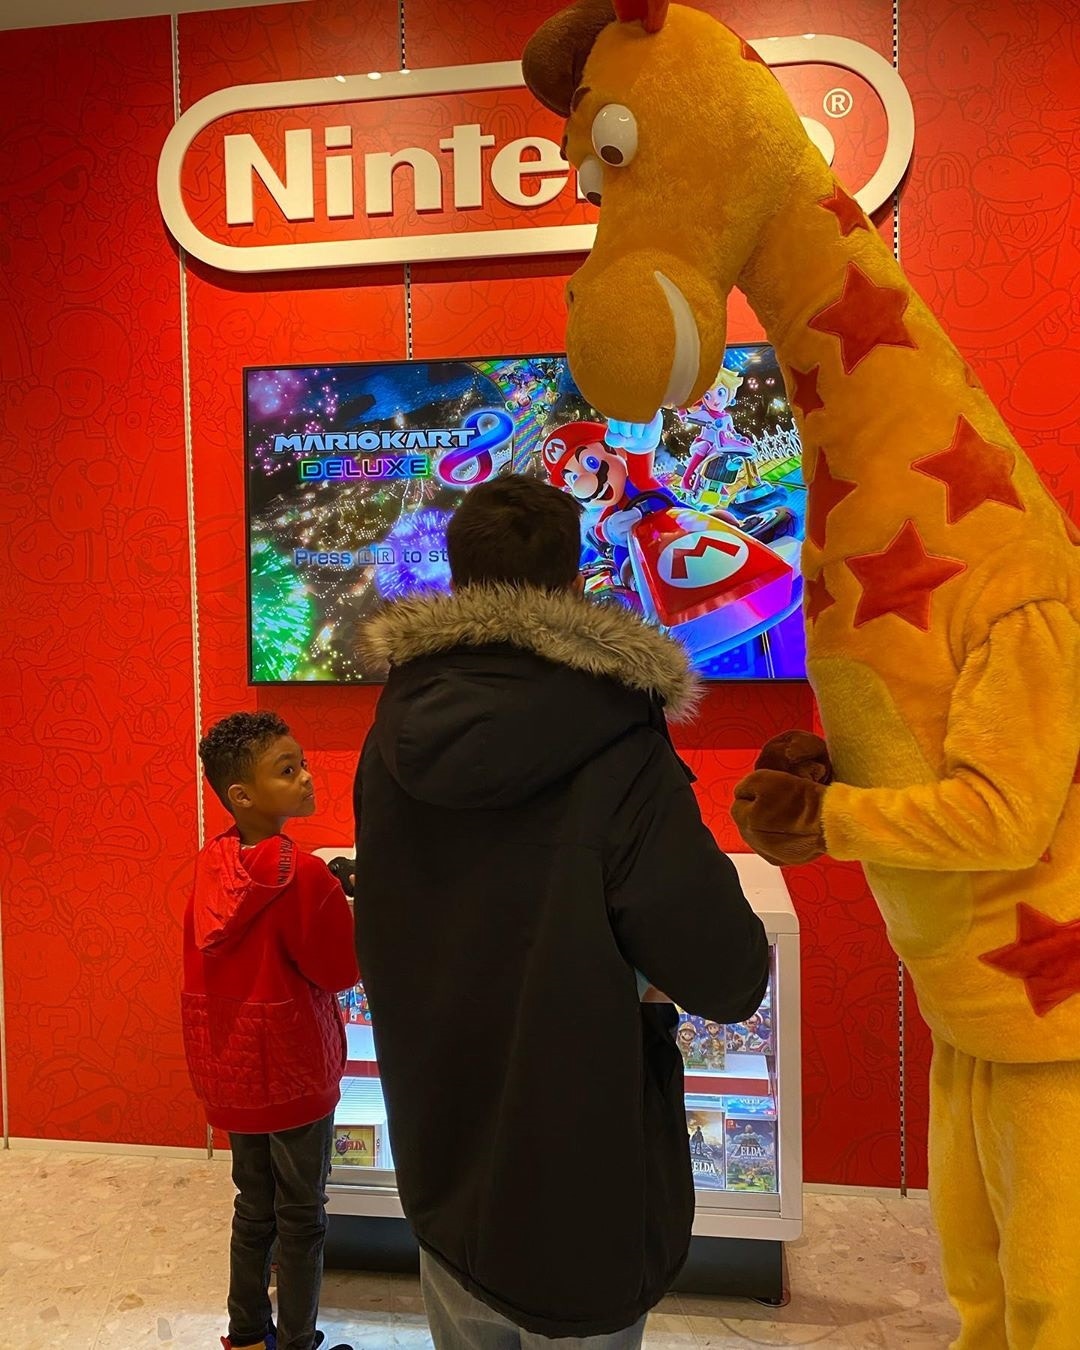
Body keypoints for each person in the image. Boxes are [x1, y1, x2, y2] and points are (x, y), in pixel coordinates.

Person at [352, 475, 770, 1348]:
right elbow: (726, 971)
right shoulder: (621, 735)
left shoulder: (392, 728)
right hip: (583, 1186)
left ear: (457, 579)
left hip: (441, 1161)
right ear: (576, 581)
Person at [182, 711, 358, 1350]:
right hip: (294, 1070)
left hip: (231, 1070)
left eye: (301, 763)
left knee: (252, 1209)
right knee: (302, 1216)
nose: (307, 777)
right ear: (242, 794)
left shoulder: (211, 863)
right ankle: (297, 1341)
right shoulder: (304, 875)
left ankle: (247, 1335)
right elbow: (339, 971)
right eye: (288, 770)